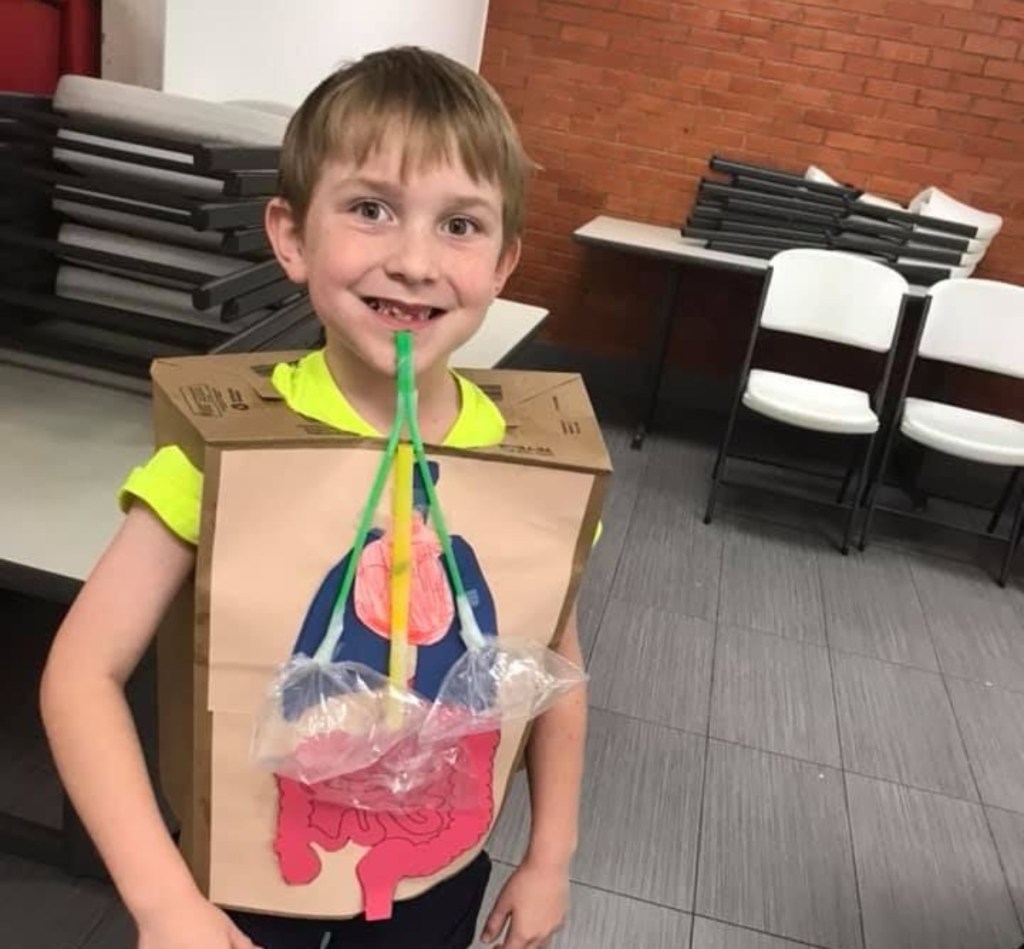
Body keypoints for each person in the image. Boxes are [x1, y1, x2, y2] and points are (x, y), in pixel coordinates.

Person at [39, 46, 587, 949]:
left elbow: (556, 673)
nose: (415, 261)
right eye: (371, 209)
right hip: (249, 884)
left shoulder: (534, 473)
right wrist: (161, 900)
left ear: (505, 262)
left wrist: (551, 856)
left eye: (461, 225)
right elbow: (80, 673)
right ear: (292, 237)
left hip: (437, 867)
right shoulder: (217, 457)